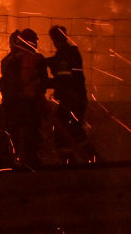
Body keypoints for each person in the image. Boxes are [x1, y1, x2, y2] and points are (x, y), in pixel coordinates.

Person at [0, 28, 47, 169]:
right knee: (32, 131)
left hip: (11, 103)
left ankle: (6, 162)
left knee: (10, 131)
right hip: (31, 103)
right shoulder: (38, 59)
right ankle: (32, 162)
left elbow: (5, 80)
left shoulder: (8, 60)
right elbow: (44, 83)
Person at [46, 25, 96, 164]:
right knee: (66, 132)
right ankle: (79, 163)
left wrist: (45, 81)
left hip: (73, 101)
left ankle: (87, 163)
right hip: (71, 100)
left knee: (71, 131)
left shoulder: (67, 54)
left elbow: (64, 78)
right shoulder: (67, 53)